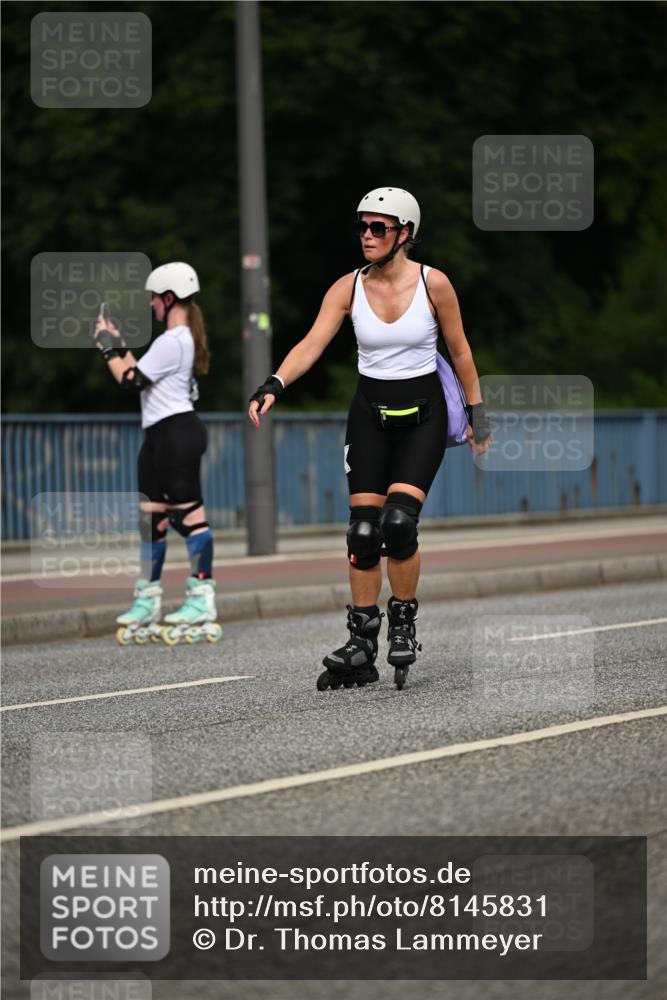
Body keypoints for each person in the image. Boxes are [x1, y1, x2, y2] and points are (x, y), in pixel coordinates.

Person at [248, 188, 491, 689]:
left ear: (405, 234)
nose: (367, 235)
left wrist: (477, 412)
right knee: (363, 532)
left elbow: (461, 350)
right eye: (363, 226)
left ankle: (403, 621)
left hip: (423, 415)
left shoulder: (433, 284)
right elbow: (312, 342)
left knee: (398, 524)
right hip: (369, 416)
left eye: (379, 227)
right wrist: (274, 383)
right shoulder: (347, 288)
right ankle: (361, 642)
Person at [94, 261, 222, 645]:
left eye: (154, 297)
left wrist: (106, 344)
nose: (151, 304)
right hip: (158, 435)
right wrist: (119, 345)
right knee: (152, 521)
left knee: (190, 517)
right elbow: (141, 371)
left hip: (176, 434)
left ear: (169, 298)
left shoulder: (174, 339)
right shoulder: (172, 341)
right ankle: (148, 599)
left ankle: (202, 598)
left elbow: (130, 381)